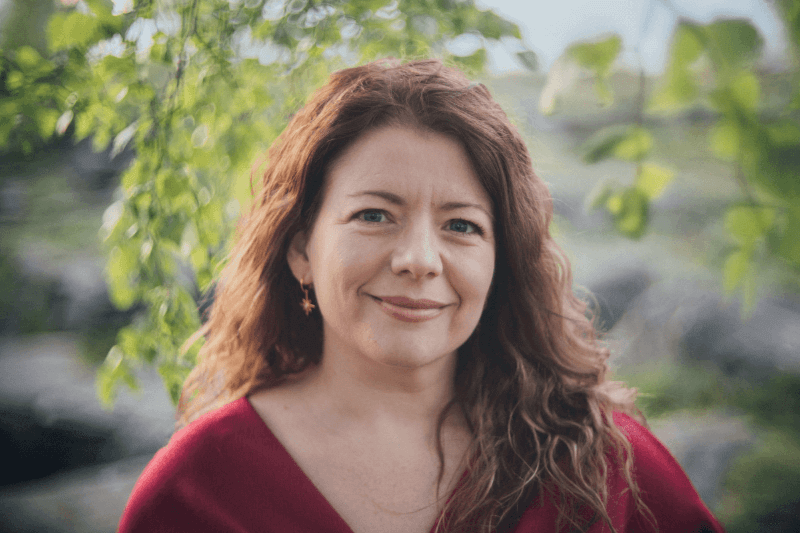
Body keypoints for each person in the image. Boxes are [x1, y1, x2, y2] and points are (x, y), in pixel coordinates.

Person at [118, 59, 724, 533]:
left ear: (500, 263)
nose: (417, 260)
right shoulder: (199, 489)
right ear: (301, 248)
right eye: (375, 215)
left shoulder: (599, 464)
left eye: (461, 226)